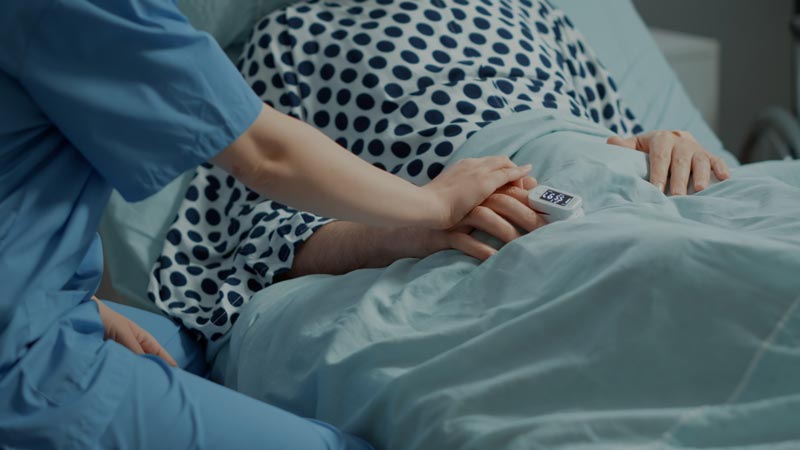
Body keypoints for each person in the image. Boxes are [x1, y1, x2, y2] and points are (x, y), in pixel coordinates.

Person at [0, 0, 537, 449]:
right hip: (22, 355)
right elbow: (262, 153)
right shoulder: (284, 35)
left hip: (40, 300)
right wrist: (432, 207)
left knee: (203, 353)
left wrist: (61, 298)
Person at [150, 0, 732, 343]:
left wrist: (666, 140)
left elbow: (621, 125)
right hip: (472, 225)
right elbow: (253, 242)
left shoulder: (530, 8)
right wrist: (406, 230)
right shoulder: (289, 37)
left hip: (614, 171)